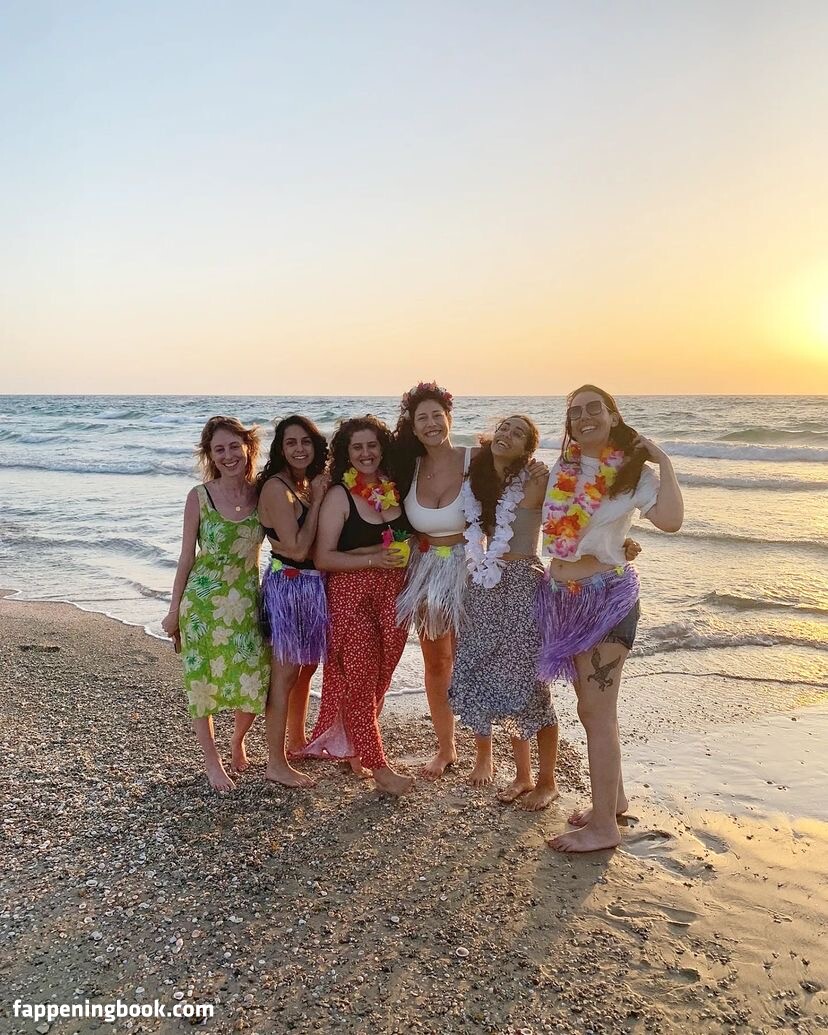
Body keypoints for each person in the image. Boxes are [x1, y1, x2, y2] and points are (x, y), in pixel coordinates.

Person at [538, 385, 683, 852]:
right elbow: (561, 532)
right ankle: (614, 801)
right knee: (591, 708)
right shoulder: (564, 467)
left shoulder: (633, 473)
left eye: (593, 408)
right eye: (575, 411)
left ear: (613, 416)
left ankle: (603, 827)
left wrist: (665, 462)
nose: (583, 417)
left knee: (597, 712)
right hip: (563, 600)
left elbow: (671, 521)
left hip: (606, 599)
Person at [295, 415, 415, 796]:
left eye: (372, 445)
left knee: (381, 678)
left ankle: (355, 749)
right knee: (361, 681)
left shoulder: (392, 488)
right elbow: (323, 557)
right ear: (346, 453)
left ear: (382, 448)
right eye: (357, 447)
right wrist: (373, 558)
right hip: (351, 598)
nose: (366, 453)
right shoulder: (339, 495)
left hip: (393, 596)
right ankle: (380, 768)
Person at [448, 415, 560, 809]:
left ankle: (546, 781)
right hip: (482, 583)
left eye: (518, 433)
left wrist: (617, 545)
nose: (507, 435)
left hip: (522, 584)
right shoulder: (478, 479)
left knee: (528, 683)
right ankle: (521, 775)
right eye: (504, 428)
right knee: (481, 668)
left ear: (528, 449)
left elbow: (572, 517)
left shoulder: (537, 479)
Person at [161, 416, 270, 792]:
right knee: (202, 684)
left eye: (234, 446)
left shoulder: (263, 494)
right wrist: (174, 610)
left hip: (247, 603)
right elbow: (186, 558)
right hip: (203, 605)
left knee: (255, 677)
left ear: (248, 448)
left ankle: (237, 742)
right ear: (210, 455)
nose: (228, 455)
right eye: (219, 449)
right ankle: (212, 761)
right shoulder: (199, 497)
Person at [257, 416, 330, 788]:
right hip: (288, 586)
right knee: (284, 675)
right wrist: (316, 503)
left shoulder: (303, 483)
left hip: (311, 585)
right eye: (291, 443)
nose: (299, 449)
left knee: (305, 669)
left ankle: (297, 741)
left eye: (306, 441)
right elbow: (299, 549)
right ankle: (276, 762)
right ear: (280, 448)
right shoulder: (277, 488)